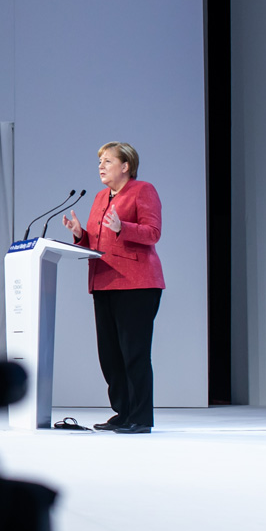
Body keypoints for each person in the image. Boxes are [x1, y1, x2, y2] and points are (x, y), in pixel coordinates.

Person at [62, 142, 164, 434]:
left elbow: (153, 232)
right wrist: (80, 235)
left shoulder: (143, 190)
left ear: (125, 166)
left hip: (137, 284)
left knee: (134, 352)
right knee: (110, 354)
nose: (101, 167)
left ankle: (141, 418)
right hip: (103, 281)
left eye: (108, 161)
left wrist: (124, 228)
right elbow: (96, 240)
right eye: (99, 162)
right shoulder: (98, 197)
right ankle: (124, 412)